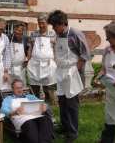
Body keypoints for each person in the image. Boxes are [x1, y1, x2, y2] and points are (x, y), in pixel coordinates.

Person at [47, 10, 90, 142]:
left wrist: (75, 70)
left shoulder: (75, 34)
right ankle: (65, 126)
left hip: (72, 72)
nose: (53, 29)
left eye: (55, 26)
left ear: (62, 23)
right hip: (61, 72)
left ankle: (72, 132)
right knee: (62, 102)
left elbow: (85, 54)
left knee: (71, 104)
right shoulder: (59, 35)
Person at [0, 79, 54, 143]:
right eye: (17, 88)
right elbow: (3, 110)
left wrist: (45, 106)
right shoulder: (8, 99)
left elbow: (41, 104)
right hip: (22, 118)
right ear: (12, 89)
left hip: (36, 116)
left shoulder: (30, 97)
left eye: (21, 88)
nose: (19, 90)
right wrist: (14, 112)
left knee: (46, 119)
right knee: (30, 123)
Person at [27, 13, 57, 105]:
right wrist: (28, 61)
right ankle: (34, 106)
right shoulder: (33, 34)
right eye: (39, 23)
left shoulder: (53, 34)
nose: (41, 25)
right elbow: (30, 48)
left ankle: (50, 107)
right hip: (35, 64)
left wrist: (56, 62)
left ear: (47, 23)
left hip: (48, 65)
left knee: (49, 88)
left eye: (43, 23)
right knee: (34, 87)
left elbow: (55, 49)